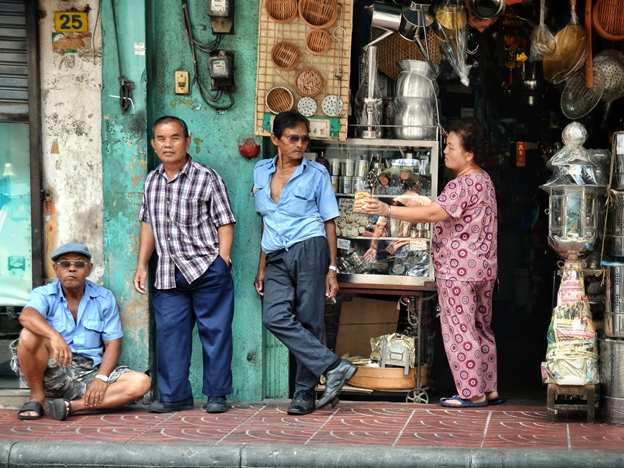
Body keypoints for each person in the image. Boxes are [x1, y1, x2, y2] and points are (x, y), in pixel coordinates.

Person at [365, 117, 502, 407]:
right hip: (484, 268)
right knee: (480, 327)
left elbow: (432, 214)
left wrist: (389, 210)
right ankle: (488, 388)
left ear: (469, 154)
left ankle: (471, 393)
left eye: (451, 147)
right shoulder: (484, 180)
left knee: (459, 328)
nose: (445, 151)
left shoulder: (461, 184)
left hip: (458, 270)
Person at [253, 111, 357, 415]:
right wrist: (262, 265)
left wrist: (332, 268)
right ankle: (334, 366)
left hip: (310, 248)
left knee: (310, 321)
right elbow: (266, 221)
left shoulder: (316, 173)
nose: (300, 144)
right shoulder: (260, 172)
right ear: (275, 139)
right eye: (293, 138)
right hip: (275, 254)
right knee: (273, 316)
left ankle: (304, 393)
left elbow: (329, 222)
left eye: (304, 138)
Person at [133, 116, 236, 414]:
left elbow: (225, 222)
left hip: (206, 268)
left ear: (187, 142)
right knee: (169, 336)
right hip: (167, 272)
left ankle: (217, 394)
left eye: (175, 138)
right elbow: (148, 225)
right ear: (153, 144)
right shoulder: (151, 180)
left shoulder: (207, 177)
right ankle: (175, 396)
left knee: (215, 333)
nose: (168, 144)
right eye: (162, 139)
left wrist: (223, 259)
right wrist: (142, 264)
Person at [11, 242, 151, 421]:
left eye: (79, 264)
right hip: (52, 370)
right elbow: (26, 316)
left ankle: (71, 407)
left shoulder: (103, 297)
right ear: (55, 268)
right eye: (64, 264)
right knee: (29, 334)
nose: (71, 269)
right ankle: (37, 398)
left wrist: (101, 378)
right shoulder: (44, 294)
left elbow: (113, 344)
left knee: (141, 382)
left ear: (89, 269)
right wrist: (54, 336)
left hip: (89, 374)